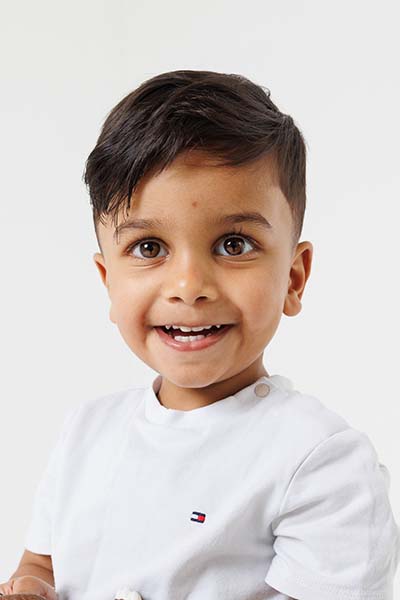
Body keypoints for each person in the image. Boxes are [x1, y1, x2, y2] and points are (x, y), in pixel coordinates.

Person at [1, 69, 399, 600]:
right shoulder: (86, 432)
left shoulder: (321, 463)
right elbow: (43, 565)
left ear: (293, 279)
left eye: (234, 244)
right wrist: (30, 586)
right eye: (148, 248)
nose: (189, 286)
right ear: (108, 281)